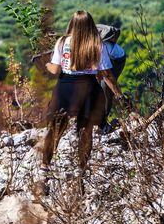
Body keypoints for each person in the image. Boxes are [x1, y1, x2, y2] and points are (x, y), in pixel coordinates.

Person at [41, 11, 122, 171]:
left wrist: (46, 65)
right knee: (86, 130)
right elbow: (107, 74)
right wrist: (119, 95)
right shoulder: (97, 44)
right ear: (91, 25)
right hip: (89, 87)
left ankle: (45, 164)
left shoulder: (62, 42)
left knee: (55, 128)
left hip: (65, 86)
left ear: (72, 24)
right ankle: (82, 166)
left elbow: (55, 69)